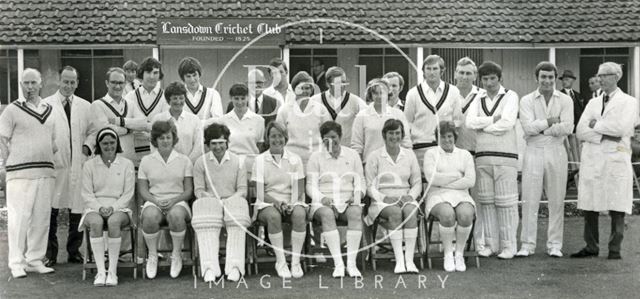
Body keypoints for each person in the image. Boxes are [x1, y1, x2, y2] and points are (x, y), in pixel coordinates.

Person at [571, 62, 638, 260]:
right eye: (598, 75)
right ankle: (591, 246)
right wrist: (603, 134)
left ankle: (615, 249)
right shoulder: (593, 103)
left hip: (615, 157)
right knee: (589, 203)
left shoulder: (629, 102)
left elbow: (621, 129)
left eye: (604, 75)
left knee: (617, 204)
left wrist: (595, 125)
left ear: (616, 77)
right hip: (593, 157)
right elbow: (581, 131)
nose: (600, 79)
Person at [0, 68, 57, 278]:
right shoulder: (12, 110)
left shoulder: (50, 110)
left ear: (41, 83)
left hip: (45, 172)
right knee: (19, 219)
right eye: (26, 83)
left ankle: (34, 260)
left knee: (41, 218)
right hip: (19, 174)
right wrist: (10, 164)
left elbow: (53, 143)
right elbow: (2, 140)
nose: (30, 87)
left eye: (33, 82)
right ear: (21, 85)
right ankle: (16, 262)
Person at [517, 62, 574, 258]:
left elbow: (567, 128)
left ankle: (555, 245)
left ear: (555, 78)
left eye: (550, 77)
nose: (547, 81)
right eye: (543, 77)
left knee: (556, 200)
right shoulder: (526, 100)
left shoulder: (565, 100)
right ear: (537, 78)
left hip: (556, 151)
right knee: (530, 199)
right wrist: (550, 122)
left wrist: (541, 129)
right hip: (533, 151)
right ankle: (527, 244)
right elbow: (527, 128)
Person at [465, 61, 519, 259]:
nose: (488, 83)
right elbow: (469, 122)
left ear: (500, 78)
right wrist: (491, 120)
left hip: (506, 157)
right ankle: (491, 244)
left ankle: (509, 246)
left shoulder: (511, 96)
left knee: (506, 203)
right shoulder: (477, 98)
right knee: (486, 202)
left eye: (492, 79)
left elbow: (507, 123)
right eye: (485, 79)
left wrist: (483, 126)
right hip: (483, 157)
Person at [43, 66, 94, 267]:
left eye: (73, 82)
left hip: (78, 164)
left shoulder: (85, 106)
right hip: (56, 165)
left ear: (77, 83)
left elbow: (93, 131)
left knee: (77, 208)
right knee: (52, 210)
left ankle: (74, 251)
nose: (69, 86)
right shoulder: (46, 105)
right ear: (59, 81)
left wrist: (87, 147)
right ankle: (51, 253)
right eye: (66, 81)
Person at [192, 123, 250, 282]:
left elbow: (242, 189)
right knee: (202, 208)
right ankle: (209, 267)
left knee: (238, 208)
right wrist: (214, 200)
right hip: (211, 202)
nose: (218, 147)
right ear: (208, 144)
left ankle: (235, 266)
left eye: (221, 143)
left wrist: (228, 201)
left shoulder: (238, 161)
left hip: (232, 202)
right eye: (213, 143)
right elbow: (198, 190)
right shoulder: (200, 162)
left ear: (227, 142)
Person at [307, 121, 365, 278]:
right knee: (327, 215)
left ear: (340, 136)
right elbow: (310, 186)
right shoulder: (315, 157)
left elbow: (360, 181)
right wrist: (323, 198)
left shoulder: (352, 155)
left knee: (355, 213)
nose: (331, 141)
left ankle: (351, 265)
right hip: (323, 202)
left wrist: (356, 196)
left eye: (333, 137)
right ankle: (338, 264)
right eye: (326, 138)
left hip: (347, 201)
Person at [79, 128, 135, 286]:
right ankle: (100, 272)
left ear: (117, 143)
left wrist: (113, 207)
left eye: (112, 142)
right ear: (98, 144)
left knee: (113, 222)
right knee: (96, 223)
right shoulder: (89, 165)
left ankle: (112, 272)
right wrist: (99, 208)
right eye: (105, 143)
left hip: (119, 208)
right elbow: (87, 194)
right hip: (94, 207)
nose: (109, 146)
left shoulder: (126, 164)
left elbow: (128, 194)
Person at [365, 119, 422, 274]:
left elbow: (417, 182)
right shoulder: (375, 156)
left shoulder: (409, 155)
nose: (394, 136)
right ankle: (399, 261)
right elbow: (368, 185)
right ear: (384, 135)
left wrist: (410, 196)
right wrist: (383, 198)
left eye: (397, 133)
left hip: (405, 197)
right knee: (395, 213)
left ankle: (409, 260)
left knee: (410, 211)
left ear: (402, 135)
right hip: (382, 201)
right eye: (391, 133)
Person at [251, 122, 307, 278]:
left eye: (280, 136)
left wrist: (291, 203)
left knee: (300, 215)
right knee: (274, 216)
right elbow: (260, 192)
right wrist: (276, 203)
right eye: (273, 136)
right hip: (267, 202)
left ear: (285, 138)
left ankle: (295, 262)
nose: (277, 139)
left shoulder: (295, 159)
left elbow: (299, 187)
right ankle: (281, 262)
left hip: (291, 200)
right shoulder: (260, 160)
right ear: (267, 139)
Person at [138, 120, 194, 279]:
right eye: (161, 138)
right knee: (148, 217)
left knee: (176, 216)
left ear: (174, 138)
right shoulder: (146, 161)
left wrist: (174, 200)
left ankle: (176, 256)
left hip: (178, 202)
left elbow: (188, 190)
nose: (165, 141)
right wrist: (156, 202)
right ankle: (153, 256)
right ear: (155, 140)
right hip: (154, 201)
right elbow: (143, 190)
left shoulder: (184, 160)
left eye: (168, 137)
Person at [423, 121, 476, 271]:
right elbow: (431, 179)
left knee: (466, 215)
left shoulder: (465, 155)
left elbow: (470, 181)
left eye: (449, 136)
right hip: (437, 195)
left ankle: (458, 253)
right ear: (437, 138)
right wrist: (456, 175)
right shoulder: (431, 154)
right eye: (443, 137)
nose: (447, 140)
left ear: (455, 137)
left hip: (461, 194)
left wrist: (444, 181)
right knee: (447, 215)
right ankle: (448, 254)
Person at [404, 54, 463, 166]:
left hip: (445, 149)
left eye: (435, 68)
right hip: (420, 150)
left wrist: (449, 142)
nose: (431, 72)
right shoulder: (413, 93)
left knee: (445, 181)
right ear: (423, 71)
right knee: (423, 182)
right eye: (428, 69)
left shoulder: (453, 91)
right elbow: (407, 123)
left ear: (442, 71)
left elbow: (458, 121)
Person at [453, 57, 486, 253]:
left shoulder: (482, 95)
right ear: (455, 74)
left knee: (477, 201)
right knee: (453, 200)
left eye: (469, 73)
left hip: (476, 155)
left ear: (475, 76)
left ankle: (478, 242)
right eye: (461, 73)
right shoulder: (449, 94)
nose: (464, 77)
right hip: (454, 156)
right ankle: (453, 243)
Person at [276, 71, 331, 166]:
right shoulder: (284, 110)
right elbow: (278, 137)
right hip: (291, 161)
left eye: (308, 88)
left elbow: (329, 135)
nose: (305, 91)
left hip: (316, 161)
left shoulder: (321, 109)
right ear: (294, 89)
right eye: (301, 88)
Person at [87, 67, 139, 163]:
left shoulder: (131, 104)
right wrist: (128, 129)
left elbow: (139, 124)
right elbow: (106, 130)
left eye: (121, 83)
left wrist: (123, 124)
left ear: (125, 84)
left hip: (129, 160)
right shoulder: (97, 105)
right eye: (114, 82)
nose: (117, 86)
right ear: (107, 83)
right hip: (106, 162)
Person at [351, 79, 411, 162]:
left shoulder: (398, 114)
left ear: (388, 94)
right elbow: (357, 145)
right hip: (370, 164)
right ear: (371, 95)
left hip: (395, 164)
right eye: (375, 93)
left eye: (382, 93)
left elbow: (406, 142)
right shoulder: (361, 116)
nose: (379, 96)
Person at [124, 57, 168, 165]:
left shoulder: (165, 97)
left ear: (160, 75)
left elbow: (165, 125)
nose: (152, 76)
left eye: (156, 72)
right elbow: (126, 123)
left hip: (158, 151)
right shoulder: (131, 96)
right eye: (148, 72)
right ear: (141, 74)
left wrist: (141, 127)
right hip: (133, 151)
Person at [311, 66, 367, 146]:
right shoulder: (315, 101)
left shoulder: (355, 101)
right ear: (328, 84)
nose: (342, 85)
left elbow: (368, 121)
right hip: (322, 151)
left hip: (347, 151)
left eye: (343, 82)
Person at [218, 83, 265, 173]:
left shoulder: (259, 120)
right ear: (231, 98)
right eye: (236, 98)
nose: (240, 102)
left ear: (248, 97)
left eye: (243, 98)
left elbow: (260, 145)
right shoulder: (223, 120)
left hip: (251, 166)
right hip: (229, 166)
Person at [151, 81, 203, 162]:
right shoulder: (158, 119)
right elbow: (153, 145)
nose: (178, 102)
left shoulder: (194, 120)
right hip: (164, 166)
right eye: (175, 98)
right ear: (168, 100)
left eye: (181, 98)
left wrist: (187, 163)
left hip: (188, 166)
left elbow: (199, 146)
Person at [177, 57, 224, 123]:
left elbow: (218, 121)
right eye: (188, 76)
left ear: (199, 74)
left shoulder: (212, 94)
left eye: (194, 75)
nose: (192, 79)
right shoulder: (177, 95)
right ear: (183, 78)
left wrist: (193, 124)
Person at [559, 70, 584, 181]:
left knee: (577, 154)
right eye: (563, 80)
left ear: (573, 81)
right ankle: (571, 178)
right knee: (568, 154)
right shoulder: (559, 95)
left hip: (576, 131)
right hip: (565, 131)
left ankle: (579, 177)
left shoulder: (578, 96)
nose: (565, 82)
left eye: (567, 79)